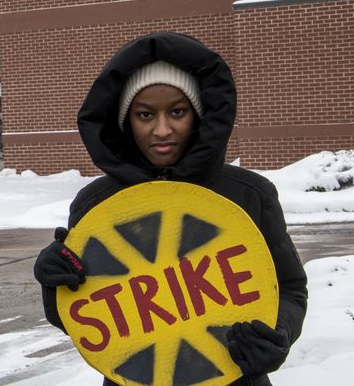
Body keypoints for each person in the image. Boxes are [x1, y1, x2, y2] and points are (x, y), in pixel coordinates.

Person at [32, 32, 308, 386]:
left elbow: (290, 290)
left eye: (177, 111)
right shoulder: (95, 205)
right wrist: (54, 282)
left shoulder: (250, 194)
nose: (162, 130)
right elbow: (84, 316)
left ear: (199, 115)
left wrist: (277, 333)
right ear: (124, 121)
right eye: (145, 114)